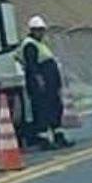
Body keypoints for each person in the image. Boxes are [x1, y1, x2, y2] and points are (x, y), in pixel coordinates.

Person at [16, 15, 73, 149]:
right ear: (32, 30)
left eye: (42, 30)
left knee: (55, 109)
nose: (41, 33)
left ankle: (59, 137)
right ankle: (43, 140)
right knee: (42, 111)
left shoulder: (39, 44)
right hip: (41, 86)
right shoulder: (29, 45)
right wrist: (39, 80)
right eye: (38, 30)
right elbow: (32, 65)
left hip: (50, 84)